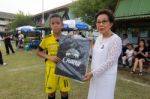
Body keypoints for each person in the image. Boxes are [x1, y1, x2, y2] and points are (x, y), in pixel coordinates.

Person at [83, 9, 122, 99]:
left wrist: (93, 73)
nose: (101, 24)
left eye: (104, 21)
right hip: (95, 77)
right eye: (98, 22)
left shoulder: (116, 40)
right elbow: (94, 55)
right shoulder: (99, 38)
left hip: (106, 78)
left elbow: (110, 62)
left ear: (111, 24)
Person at [36, 14, 70, 99]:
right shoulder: (46, 39)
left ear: (62, 25)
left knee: (64, 92)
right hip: (51, 69)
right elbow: (38, 52)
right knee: (51, 93)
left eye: (58, 23)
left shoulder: (67, 39)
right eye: (53, 23)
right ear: (50, 25)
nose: (55, 25)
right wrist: (50, 57)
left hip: (64, 69)